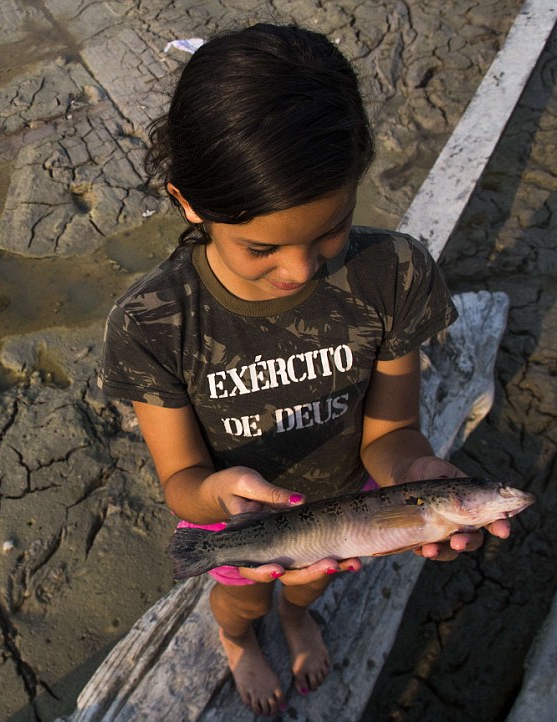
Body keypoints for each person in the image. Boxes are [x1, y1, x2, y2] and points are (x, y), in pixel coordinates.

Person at [97, 23, 511, 716]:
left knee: (311, 584)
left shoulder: (392, 274)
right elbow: (183, 483)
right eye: (261, 247)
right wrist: (219, 493)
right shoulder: (153, 325)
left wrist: (411, 473)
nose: (299, 268)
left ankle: (297, 618)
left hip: (347, 502)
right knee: (240, 594)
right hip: (235, 521)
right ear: (188, 203)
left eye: (330, 231)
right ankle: (237, 641)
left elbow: (391, 433)